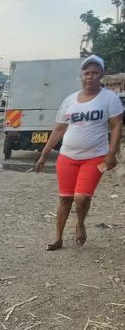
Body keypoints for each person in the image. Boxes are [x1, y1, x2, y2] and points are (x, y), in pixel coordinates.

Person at [36, 54, 123, 250]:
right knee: (65, 198)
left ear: (101, 75)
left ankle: (80, 224)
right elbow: (59, 129)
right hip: (67, 157)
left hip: (96, 158)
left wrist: (112, 153)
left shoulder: (109, 98)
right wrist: (44, 154)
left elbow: (116, 125)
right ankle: (58, 237)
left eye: (95, 73)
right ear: (81, 75)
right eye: (86, 73)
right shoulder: (69, 100)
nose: (90, 76)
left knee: (82, 197)